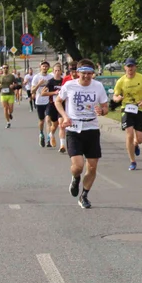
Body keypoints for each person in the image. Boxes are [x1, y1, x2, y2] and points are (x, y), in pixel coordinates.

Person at [57, 60, 110, 209]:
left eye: (89, 73)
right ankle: (75, 178)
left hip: (91, 129)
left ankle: (84, 195)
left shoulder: (98, 87)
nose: (86, 76)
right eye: (84, 73)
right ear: (78, 73)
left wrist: (102, 111)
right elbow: (58, 102)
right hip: (74, 129)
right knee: (78, 166)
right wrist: (65, 116)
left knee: (92, 167)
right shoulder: (69, 86)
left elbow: (105, 107)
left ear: (93, 73)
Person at [113, 58, 142, 170]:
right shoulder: (121, 81)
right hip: (127, 108)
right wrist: (118, 98)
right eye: (128, 66)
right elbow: (115, 96)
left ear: (135, 67)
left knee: (140, 139)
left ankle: (136, 143)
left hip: (139, 109)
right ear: (125, 67)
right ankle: (132, 161)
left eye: (132, 66)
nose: (130, 68)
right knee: (129, 134)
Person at [28, 61, 52, 147]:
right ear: (40, 67)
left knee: (48, 120)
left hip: (49, 101)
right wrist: (39, 84)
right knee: (41, 121)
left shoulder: (51, 77)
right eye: (43, 66)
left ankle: (49, 138)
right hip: (39, 101)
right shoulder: (36, 77)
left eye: (46, 66)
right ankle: (41, 134)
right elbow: (32, 91)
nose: (45, 68)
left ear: (48, 68)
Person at [43, 64, 66, 149]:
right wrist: (54, 93)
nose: (57, 72)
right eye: (55, 71)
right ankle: (51, 134)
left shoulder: (64, 81)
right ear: (53, 71)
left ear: (61, 71)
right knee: (53, 123)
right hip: (52, 104)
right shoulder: (50, 82)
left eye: (58, 70)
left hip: (61, 105)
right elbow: (43, 93)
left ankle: (62, 145)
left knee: (61, 124)